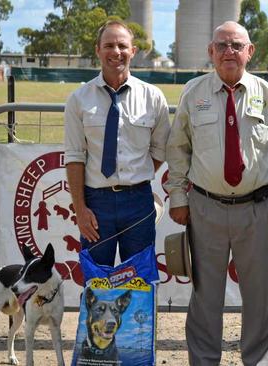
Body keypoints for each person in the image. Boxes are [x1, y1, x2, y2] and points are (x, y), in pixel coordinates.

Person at [164, 21, 268, 366]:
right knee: (205, 297)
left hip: (257, 210)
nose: (229, 52)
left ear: (250, 52)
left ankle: (258, 361)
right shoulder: (194, 93)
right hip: (204, 207)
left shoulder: (266, 94)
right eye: (221, 45)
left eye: (237, 45)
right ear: (210, 51)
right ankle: (205, 361)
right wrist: (178, 198)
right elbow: (178, 150)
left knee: (258, 297)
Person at [64, 20, 170, 266]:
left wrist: (134, 174)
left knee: (138, 280)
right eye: (109, 45)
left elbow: (160, 149)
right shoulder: (79, 100)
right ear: (97, 50)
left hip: (139, 202)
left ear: (133, 51)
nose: (116, 52)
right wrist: (80, 209)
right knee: (97, 280)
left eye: (122, 45)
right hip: (96, 204)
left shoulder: (153, 97)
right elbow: (75, 156)